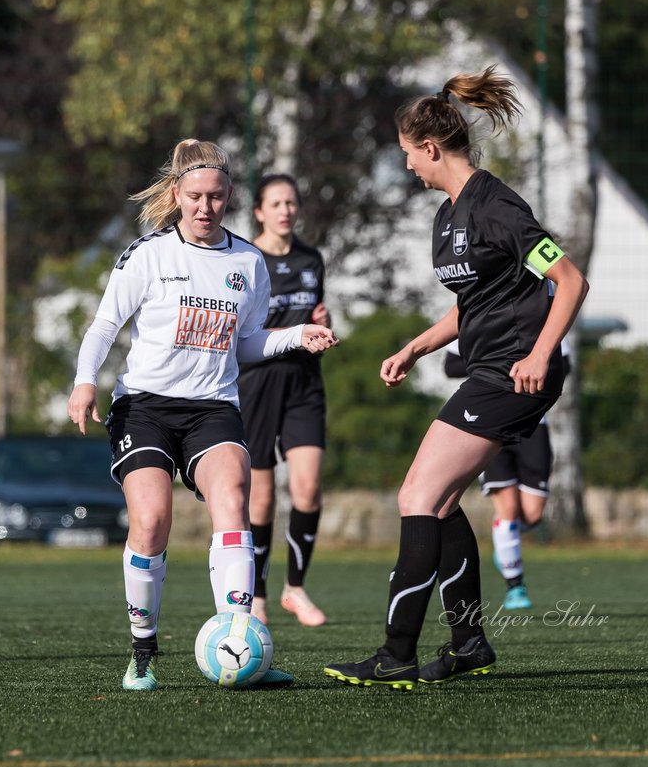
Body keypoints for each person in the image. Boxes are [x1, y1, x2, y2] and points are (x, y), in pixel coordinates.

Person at [324, 66, 588, 689]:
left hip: (512, 376)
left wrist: (540, 353)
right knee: (437, 503)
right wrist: (416, 346)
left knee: (416, 498)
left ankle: (396, 654)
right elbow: (473, 302)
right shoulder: (448, 216)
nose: (407, 167)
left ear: (431, 148)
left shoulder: (498, 206)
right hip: (487, 371)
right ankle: (468, 643)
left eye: (408, 155)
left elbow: (569, 279)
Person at [68, 139, 338, 692]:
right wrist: (84, 382)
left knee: (233, 502)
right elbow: (103, 328)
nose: (204, 207)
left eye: (216, 197)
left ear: (230, 197)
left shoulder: (247, 261)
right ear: (177, 194)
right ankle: (143, 652)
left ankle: (241, 646)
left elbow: (247, 344)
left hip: (214, 408)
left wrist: (295, 337)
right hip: (144, 406)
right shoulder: (147, 255)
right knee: (150, 521)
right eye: (194, 196)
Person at [238, 174, 332, 628]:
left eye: (291, 202)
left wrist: (323, 321)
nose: (285, 210)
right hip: (256, 384)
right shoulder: (245, 259)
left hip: (304, 384)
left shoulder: (312, 258)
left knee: (309, 488)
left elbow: (315, 311)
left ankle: (295, 588)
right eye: (276, 203)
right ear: (259, 211)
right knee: (260, 501)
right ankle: (256, 596)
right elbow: (242, 331)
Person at [445, 339, 571, 610]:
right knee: (508, 509)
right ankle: (516, 587)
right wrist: (494, 360)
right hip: (489, 420)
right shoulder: (478, 316)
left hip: (534, 423)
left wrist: (536, 360)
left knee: (533, 515)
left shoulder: (547, 316)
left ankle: (505, 541)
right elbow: (451, 365)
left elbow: (565, 364)